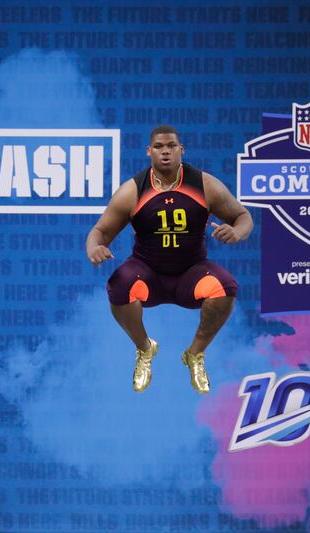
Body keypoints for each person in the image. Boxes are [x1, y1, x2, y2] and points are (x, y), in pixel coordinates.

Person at [85, 125, 253, 394]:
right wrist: (95, 248)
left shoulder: (204, 184)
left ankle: (195, 354)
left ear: (181, 150)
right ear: (149, 151)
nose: (165, 152)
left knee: (226, 287)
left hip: (191, 273)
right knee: (119, 284)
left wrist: (237, 232)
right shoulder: (133, 190)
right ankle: (144, 348)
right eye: (159, 147)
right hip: (147, 274)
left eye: (171, 146)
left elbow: (243, 216)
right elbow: (100, 231)